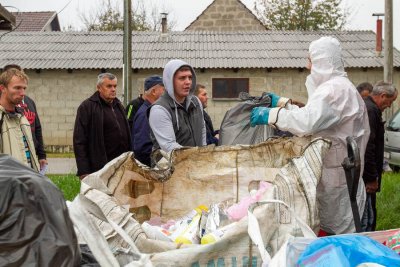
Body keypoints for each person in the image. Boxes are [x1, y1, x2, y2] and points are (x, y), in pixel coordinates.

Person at [250, 36, 370, 235]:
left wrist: (271, 114)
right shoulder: (339, 87)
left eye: (311, 61)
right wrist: (282, 104)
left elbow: (307, 122)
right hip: (339, 177)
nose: (308, 66)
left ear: (322, 62)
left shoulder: (335, 90)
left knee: (340, 242)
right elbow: (318, 118)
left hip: (339, 182)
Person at [73, 73, 131, 180]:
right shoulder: (87, 107)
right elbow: (79, 141)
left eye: (115, 86)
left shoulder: (118, 105)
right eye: (109, 86)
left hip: (121, 166)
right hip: (100, 167)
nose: (113, 89)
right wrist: (83, 170)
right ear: (99, 88)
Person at [361, 81, 397, 232]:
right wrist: (371, 178)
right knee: (367, 220)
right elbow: (368, 146)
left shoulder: (369, 108)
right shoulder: (371, 110)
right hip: (366, 178)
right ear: (383, 96)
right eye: (390, 101)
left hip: (365, 175)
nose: (389, 106)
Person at [148, 59, 206, 154]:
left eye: (190, 77)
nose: (188, 82)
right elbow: (169, 146)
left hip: (196, 164)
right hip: (169, 166)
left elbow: (202, 131)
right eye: (182, 78)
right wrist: (196, 157)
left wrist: (203, 154)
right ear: (170, 81)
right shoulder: (159, 109)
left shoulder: (196, 102)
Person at [3, 64, 48, 172]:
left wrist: (41, 155)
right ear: (3, 88)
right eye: (17, 87)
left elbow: (37, 129)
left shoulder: (23, 115)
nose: (22, 93)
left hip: (28, 169)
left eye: (24, 88)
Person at [132, 75, 165, 166]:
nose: (166, 94)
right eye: (164, 90)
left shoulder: (154, 111)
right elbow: (142, 149)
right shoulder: (145, 114)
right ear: (153, 91)